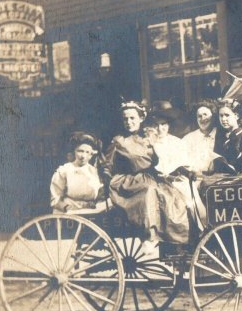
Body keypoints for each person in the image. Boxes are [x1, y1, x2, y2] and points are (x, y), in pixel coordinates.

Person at [102, 101, 190, 246]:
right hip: (129, 182)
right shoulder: (119, 141)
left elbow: (159, 159)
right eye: (125, 119)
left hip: (151, 177)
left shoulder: (148, 137)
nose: (129, 122)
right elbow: (108, 164)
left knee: (173, 199)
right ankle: (150, 235)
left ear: (141, 119)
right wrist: (105, 175)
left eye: (132, 118)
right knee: (149, 191)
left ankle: (176, 242)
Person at [49, 132, 104, 213]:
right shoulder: (64, 170)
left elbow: (101, 196)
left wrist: (97, 206)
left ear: (91, 154)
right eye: (80, 151)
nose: (83, 156)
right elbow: (55, 199)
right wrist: (68, 208)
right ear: (74, 151)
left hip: (90, 212)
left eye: (87, 152)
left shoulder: (95, 172)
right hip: (67, 213)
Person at [213, 98, 242, 176]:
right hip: (223, 176)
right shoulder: (220, 134)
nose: (223, 119)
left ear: (237, 116)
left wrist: (234, 145)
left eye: (227, 115)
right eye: (221, 115)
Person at [181, 99, 220, 176]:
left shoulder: (221, 136)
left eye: (205, 114)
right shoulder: (188, 139)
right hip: (195, 179)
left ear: (213, 116)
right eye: (199, 116)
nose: (202, 118)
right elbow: (182, 162)